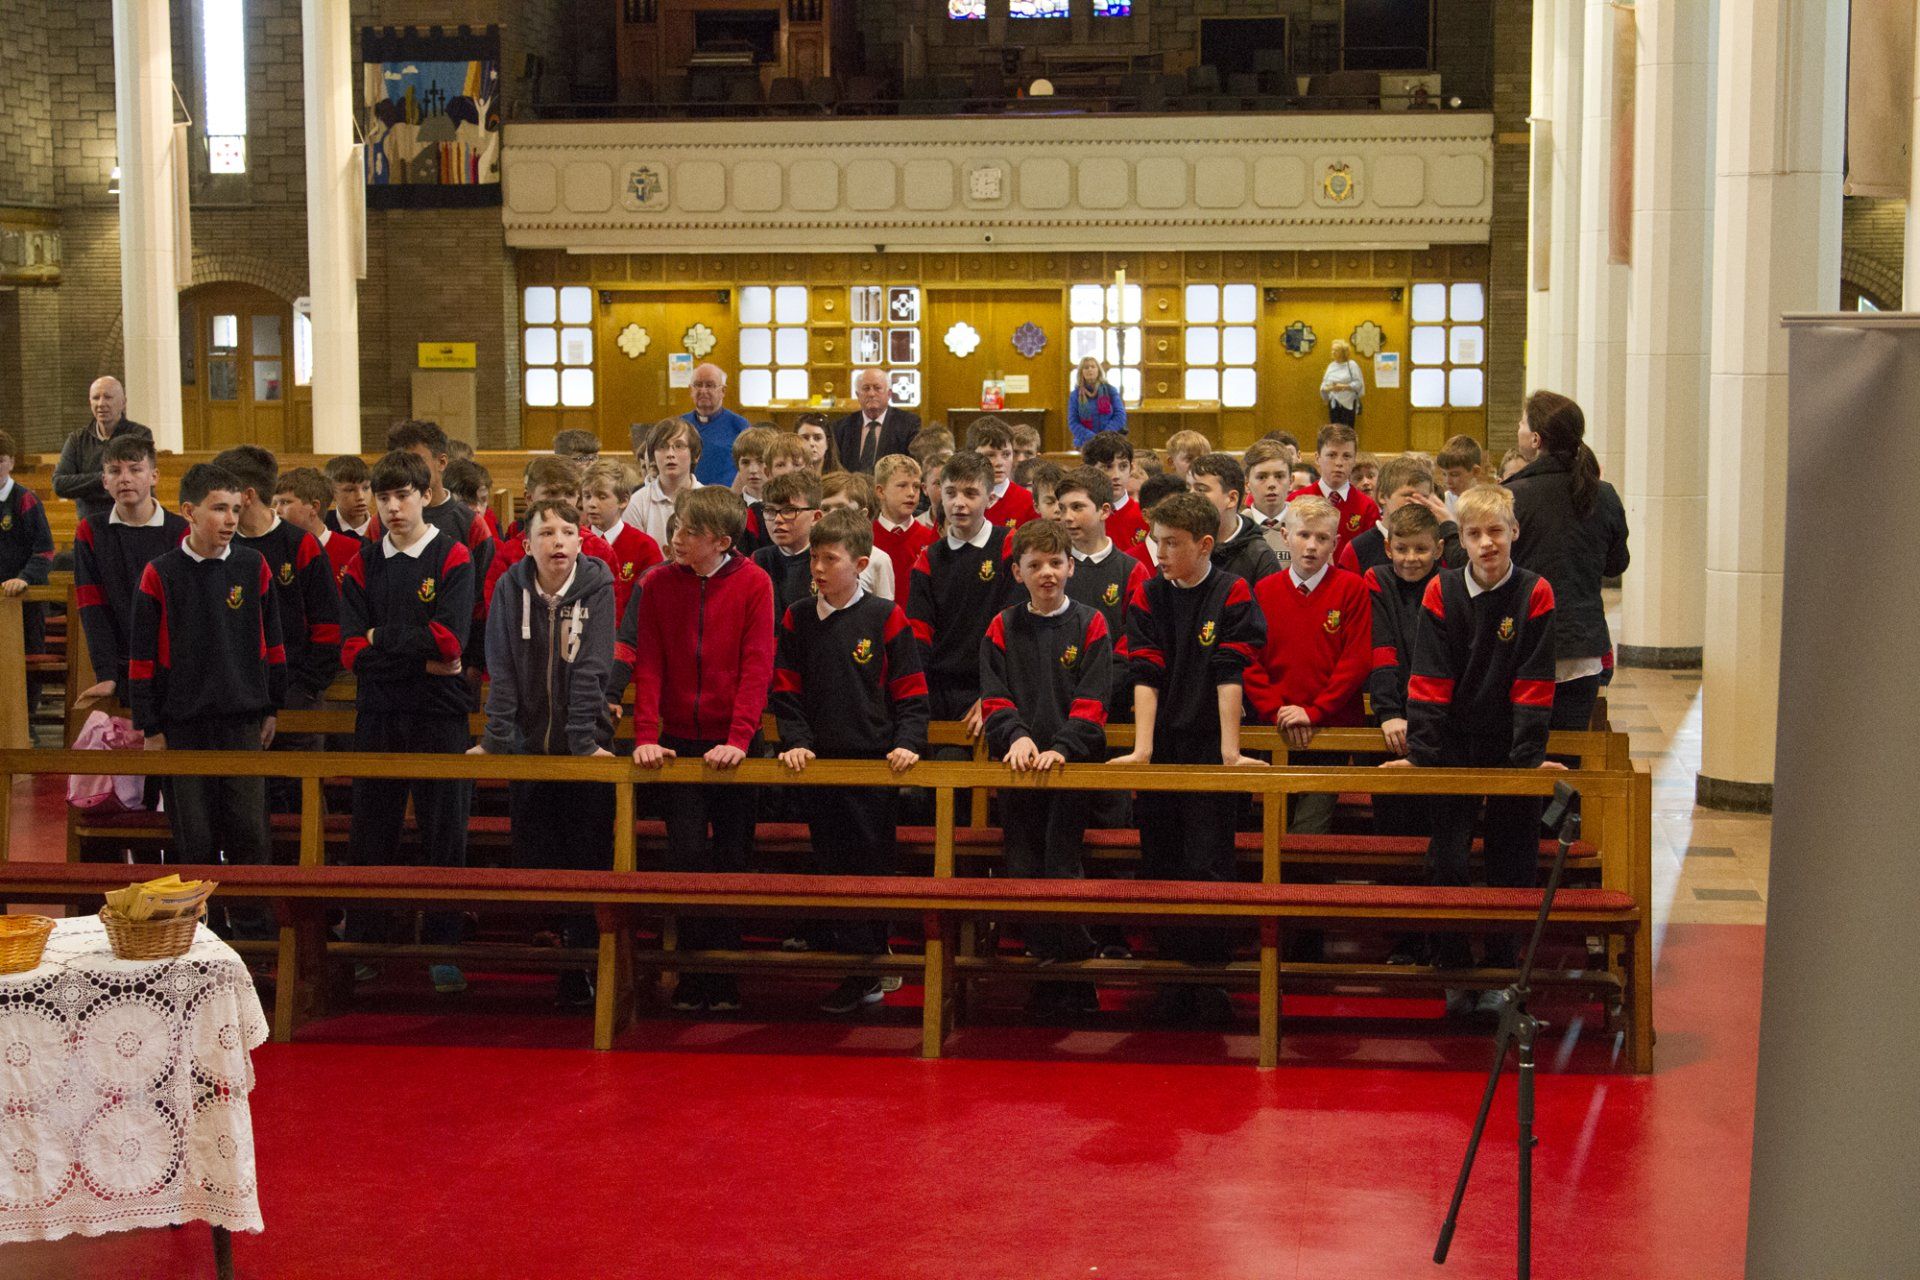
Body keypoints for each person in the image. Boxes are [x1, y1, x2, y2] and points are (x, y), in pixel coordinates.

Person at [1385, 484, 1558, 1010]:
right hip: (1452, 746)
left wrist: (1527, 759)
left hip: (1509, 747)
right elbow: (1430, 676)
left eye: (1496, 532)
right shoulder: (1443, 590)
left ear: (1514, 534)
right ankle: (1454, 966)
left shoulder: (1536, 591)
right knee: (1450, 858)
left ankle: (1505, 970)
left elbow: (1534, 681)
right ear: (1458, 539)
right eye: (1475, 533)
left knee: (1512, 860)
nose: (1487, 543)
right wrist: (1422, 752)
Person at [1113, 490, 1265, 1021]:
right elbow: (1146, 675)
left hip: (1208, 746)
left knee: (1209, 860)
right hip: (1164, 750)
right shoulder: (1149, 595)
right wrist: (1142, 751)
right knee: (1162, 859)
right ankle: (1170, 972)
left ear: (1205, 544)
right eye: (1156, 540)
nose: (1158, 552)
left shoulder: (1233, 591)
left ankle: (1209, 973)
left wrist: (1230, 753)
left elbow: (1230, 673)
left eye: (1171, 543)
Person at [625, 487, 775, 1014]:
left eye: (689, 531)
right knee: (687, 854)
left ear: (722, 541)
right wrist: (646, 735)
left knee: (734, 857)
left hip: (736, 742)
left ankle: (726, 972)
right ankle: (691, 971)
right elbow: (650, 666)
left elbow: (758, 667)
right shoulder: (657, 583)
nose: (677, 538)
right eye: (677, 527)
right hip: (677, 744)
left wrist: (737, 741)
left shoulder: (755, 583)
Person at [771, 508, 927, 1013]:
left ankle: (870, 964)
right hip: (817, 763)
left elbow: (909, 691)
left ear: (859, 563)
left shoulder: (884, 615)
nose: (817, 568)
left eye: (829, 559)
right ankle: (853, 963)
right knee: (831, 865)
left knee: (870, 864)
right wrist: (793, 739)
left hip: (873, 764)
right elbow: (787, 692)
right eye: (814, 558)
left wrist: (907, 740)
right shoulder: (796, 617)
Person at [338, 450, 478, 995]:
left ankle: (444, 947)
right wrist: (408, 650)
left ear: (424, 495)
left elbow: (451, 640)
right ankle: (367, 943)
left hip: (438, 715)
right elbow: (350, 650)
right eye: (384, 497)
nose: (393, 507)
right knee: (371, 831)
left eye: (403, 496)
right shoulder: (361, 563)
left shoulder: (453, 557)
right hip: (378, 713)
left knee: (446, 834)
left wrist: (380, 637)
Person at [473, 498, 617, 1010]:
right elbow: (502, 668)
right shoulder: (510, 590)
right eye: (547, 532)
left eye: (567, 532)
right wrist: (496, 739)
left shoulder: (598, 587)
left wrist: (583, 744)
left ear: (581, 540)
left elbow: (595, 667)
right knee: (541, 856)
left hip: (586, 746)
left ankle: (589, 959)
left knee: (589, 857)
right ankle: (562, 963)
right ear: (527, 543)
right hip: (528, 745)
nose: (558, 541)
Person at [128, 463, 283, 930]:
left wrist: (271, 706)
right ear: (189, 512)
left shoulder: (252, 565)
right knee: (194, 838)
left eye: (236, 509)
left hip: (241, 720)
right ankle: (200, 936)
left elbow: (271, 642)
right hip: (183, 725)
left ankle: (257, 938)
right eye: (219, 509)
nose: (231, 519)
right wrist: (150, 726)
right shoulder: (160, 574)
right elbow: (141, 659)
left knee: (250, 833)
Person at [980, 518, 1113, 1013]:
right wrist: (1015, 737)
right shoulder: (1002, 626)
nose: (1047, 573)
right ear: (1017, 572)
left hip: (1070, 768)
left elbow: (1095, 698)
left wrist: (1062, 746)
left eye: (1056, 563)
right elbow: (994, 695)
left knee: (1061, 863)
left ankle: (1077, 966)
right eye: (1035, 565)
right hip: (1018, 768)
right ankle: (1045, 960)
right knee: (1022, 866)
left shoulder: (1091, 622)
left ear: (1071, 567)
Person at [215, 446, 341, 813]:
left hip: (296, 694)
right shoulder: (221, 546)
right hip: (237, 700)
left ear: (247, 495)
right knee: (245, 808)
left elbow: (328, 626)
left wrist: (305, 686)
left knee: (299, 806)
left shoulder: (299, 544)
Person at [1242, 495, 1373, 833]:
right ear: (1285, 535)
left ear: (1336, 543)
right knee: (1275, 826)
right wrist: (1278, 711)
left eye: (1322, 538)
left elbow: (1355, 662)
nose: (1312, 546)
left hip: (1330, 729)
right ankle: (1276, 890)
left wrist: (1313, 712)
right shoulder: (1264, 589)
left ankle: (1309, 888)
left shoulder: (1352, 589)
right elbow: (1250, 660)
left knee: (1309, 829)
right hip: (1277, 728)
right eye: (1303, 535)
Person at [1506, 390, 1630, 734]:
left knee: (1523, 751)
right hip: (1583, 644)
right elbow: (1615, 565)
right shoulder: (1602, 493)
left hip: (1526, 641)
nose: (1517, 427)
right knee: (1569, 751)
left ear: (1535, 438)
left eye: (1522, 421)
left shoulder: (1514, 495)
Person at [73, 434, 187, 710]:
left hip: (175, 665)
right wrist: (106, 672)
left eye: (135, 469)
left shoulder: (180, 531)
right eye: (115, 471)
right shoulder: (91, 531)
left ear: (153, 476)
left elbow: (185, 609)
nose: (125, 479)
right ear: (104, 481)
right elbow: (92, 606)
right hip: (121, 664)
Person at [907, 450, 1015, 736]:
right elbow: (919, 638)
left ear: (990, 499)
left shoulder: (1009, 547)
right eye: (951, 492)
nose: (959, 503)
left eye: (970, 493)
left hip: (997, 687)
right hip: (940, 691)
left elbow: (1015, 630)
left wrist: (993, 694)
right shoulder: (928, 558)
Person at [1364, 502, 1447, 843]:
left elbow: (1443, 659)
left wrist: (1430, 717)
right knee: (1393, 815)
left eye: (1421, 549)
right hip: (1392, 715)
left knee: (1435, 815)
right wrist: (1389, 713)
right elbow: (1380, 647)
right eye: (1402, 549)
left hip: (1438, 716)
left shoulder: (1448, 584)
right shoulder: (1377, 579)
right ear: (1388, 547)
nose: (1411, 558)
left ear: (1439, 549)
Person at [1056, 465, 1150, 720]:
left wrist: (1098, 683)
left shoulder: (1131, 570)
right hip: (1055, 694)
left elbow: (1134, 639)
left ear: (1104, 511)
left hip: (1112, 699)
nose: (1067, 517)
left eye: (1077, 507)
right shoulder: (1052, 568)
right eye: (1062, 508)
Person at [483, 457, 620, 605]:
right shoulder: (510, 553)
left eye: (569, 494)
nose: (561, 502)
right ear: (529, 498)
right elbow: (496, 610)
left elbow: (612, 610)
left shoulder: (599, 550)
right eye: (551, 494)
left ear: (578, 498)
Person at [1337, 453, 1462, 575]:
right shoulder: (1358, 549)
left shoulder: (1438, 544)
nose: (1417, 503)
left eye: (1423, 497)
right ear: (1382, 496)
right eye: (1408, 496)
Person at [52, 376, 152, 524]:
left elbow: (137, 482)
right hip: (91, 525)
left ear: (123, 402)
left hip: (132, 523)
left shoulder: (139, 435)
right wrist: (107, 478)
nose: (101, 404)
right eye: (95, 398)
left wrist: (85, 488)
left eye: (108, 397)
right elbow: (60, 485)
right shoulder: (77, 439)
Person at [0, 430, 56, 688]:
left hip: (25, 595)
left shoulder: (25, 499)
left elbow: (44, 550)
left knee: (27, 658)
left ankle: (28, 722)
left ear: (11, 462)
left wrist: (23, 579)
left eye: (0, 460)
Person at [579, 458, 663, 618]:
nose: (591, 504)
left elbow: (651, 602)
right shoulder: (574, 541)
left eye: (602, 496)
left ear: (623, 500)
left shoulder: (644, 547)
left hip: (626, 636)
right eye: (587, 496)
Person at [1288, 423, 1381, 556]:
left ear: (1354, 460)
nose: (1339, 463)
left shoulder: (1367, 507)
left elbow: (1370, 556)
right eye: (1332, 455)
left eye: (1346, 456)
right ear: (1317, 458)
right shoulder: (1294, 500)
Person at [1190, 452, 1279, 587]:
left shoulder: (1260, 557)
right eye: (1188, 488)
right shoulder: (1182, 543)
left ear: (1232, 499)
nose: (1190, 496)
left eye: (1201, 490)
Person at [752, 469, 824, 623]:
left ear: (816, 517)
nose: (777, 519)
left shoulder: (829, 561)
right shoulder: (758, 560)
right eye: (770, 511)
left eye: (789, 510)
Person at [622, 417, 703, 546]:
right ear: (653, 456)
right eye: (662, 447)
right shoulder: (637, 502)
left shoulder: (708, 500)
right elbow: (633, 555)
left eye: (679, 446)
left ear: (695, 455)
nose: (670, 454)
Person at [275, 467, 362, 588]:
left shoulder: (354, 551)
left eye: (285, 502)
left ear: (314, 507)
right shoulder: (274, 550)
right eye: (276, 503)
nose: (277, 511)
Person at [820, 471, 898, 602]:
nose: (832, 516)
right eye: (825, 509)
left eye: (841, 508)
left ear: (862, 515)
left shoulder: (878, 559)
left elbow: (885, 612)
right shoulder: (811, 555)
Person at [832, 369, 922, 474]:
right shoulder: (842, 426)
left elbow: (912, 467)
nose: (871, 393)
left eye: (877, 388)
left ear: (889, 394)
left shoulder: (908, 424)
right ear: (858, 395)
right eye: (866, 389)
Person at [1081, 431, 1151, 562]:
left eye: (1123, 466)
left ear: (1131, 468)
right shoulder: (1080, 516)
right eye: (1107, 467)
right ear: (1089, 470)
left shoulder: (1145, 517)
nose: (1116, 475)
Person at [872, 454, 935, 593]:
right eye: (902, 485)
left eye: (916, 486)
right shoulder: (865, 538)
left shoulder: (930, 538)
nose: (911, 493)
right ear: (881, 491)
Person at [682, 364, 752, 487]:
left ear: (723, 391)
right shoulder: (680, 425)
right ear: (691, 390)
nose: (703, 390)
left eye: (710, 385)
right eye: (698, 385)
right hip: (687, 497)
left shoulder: (739, 425)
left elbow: (749, 467)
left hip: (725, 498)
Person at [967, 418, 1038, 530]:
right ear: (971, 455)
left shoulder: (1028, 502)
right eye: (990, 455)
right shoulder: (958, 499)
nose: (999, 463)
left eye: (1006, 454)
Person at [1241, 439, 1295, 572]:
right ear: (1247, 484)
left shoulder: (1305, 526)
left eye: (1279, 476)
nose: (1271, 484)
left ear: (1291, 481)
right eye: (1261, 477)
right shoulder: (1237, 528)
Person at [1068, 356, 1127, 448]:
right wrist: (1092, 438)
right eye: (1086, 367)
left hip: (1110, 442)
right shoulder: (1075, 395)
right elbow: (1073, 422)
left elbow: (1120, 416)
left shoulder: (1110, 390)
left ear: (1098, 370)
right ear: (1081, 372)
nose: (1090, 370)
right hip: (1085, 443)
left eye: (1093, 367)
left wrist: (1105, 436)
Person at [324, 455, 378, 541]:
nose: (360, 497)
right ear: (331, 492)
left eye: (366, 488)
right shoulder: (321, 526)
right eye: (350, 490)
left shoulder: (382, 528)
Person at [1320, 339, 1365, 428]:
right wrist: (1329, 388)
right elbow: (1324, 385)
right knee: (1335, 431)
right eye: (1332, 350)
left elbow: (1358, 383)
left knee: (1347, 431)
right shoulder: (1331, 366)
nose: (1333, 352)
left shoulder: (1352, 365)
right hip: (1334, 403)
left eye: (1336, 350)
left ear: (1343, 352)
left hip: (1348, 403)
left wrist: (1344, 386)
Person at [1435, 436, 1484, 516]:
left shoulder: (1488, 503)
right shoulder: (1442, 503)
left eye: (1454, 475)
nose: (1448, 481)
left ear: (1475, 471)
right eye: (1444, 474)